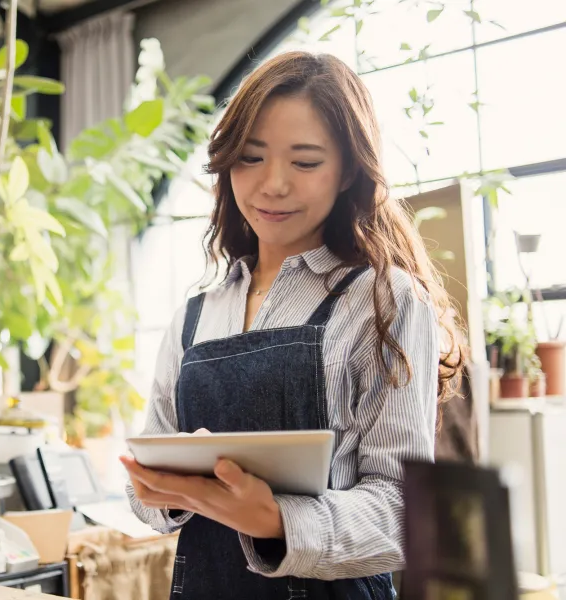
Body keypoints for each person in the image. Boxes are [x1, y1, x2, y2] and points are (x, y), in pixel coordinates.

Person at [120, 50, 465, 599]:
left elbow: (405, 512)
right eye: (250, 158)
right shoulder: (194, 315)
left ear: (350, 169)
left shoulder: (382, 299)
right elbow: (147, 490)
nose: (272, 185)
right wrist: (157, 489)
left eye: (304, 163)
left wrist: (277, 520)